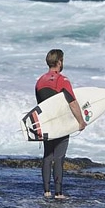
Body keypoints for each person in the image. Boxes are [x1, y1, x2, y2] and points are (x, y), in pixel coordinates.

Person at [35, 49, 86, 199]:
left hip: (46, 124)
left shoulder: (39, 81)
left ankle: (46, 191)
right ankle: (58, 193)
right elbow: (73, 103)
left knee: (47, 156)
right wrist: (80, 121)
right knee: (59, 157)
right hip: (61, 125)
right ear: (59, 62)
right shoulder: (62, 80)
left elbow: (40, 106)